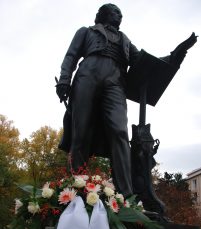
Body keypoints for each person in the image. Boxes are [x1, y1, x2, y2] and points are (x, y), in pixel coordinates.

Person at [56, 3, 197, 200]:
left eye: (121, 14)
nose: (119, 16)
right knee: (81, 130)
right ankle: (77, 187)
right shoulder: (86, 32)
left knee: (120, 132)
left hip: (115, 82)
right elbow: (71, 56)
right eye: (115, 12)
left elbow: (146, 62)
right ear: (103, 14)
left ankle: (126, 195)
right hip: (88, 75)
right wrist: (64, 80)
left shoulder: (125, 40)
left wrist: (177, 53)